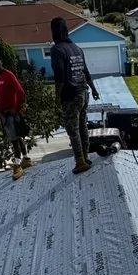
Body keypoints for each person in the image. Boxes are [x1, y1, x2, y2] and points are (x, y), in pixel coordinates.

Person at [49, 16, 100, 174]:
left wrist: (57, 96)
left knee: (73, 129)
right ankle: (86, 156)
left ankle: (80, 161)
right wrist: (94, 89)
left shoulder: (57, 50)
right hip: (83, 93)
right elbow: (86, 71)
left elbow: (60, 75)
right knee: (82, 126)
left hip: (71, 95)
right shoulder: (76, 48)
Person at [0, 51, 32, 181]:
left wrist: (16, 108)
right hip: (5, 115)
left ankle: (17, 165)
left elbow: (20, 92)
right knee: (18, 139)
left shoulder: (8, 75)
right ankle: (25, 159)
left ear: (1, 61)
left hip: (12, 114)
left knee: (14, 141)